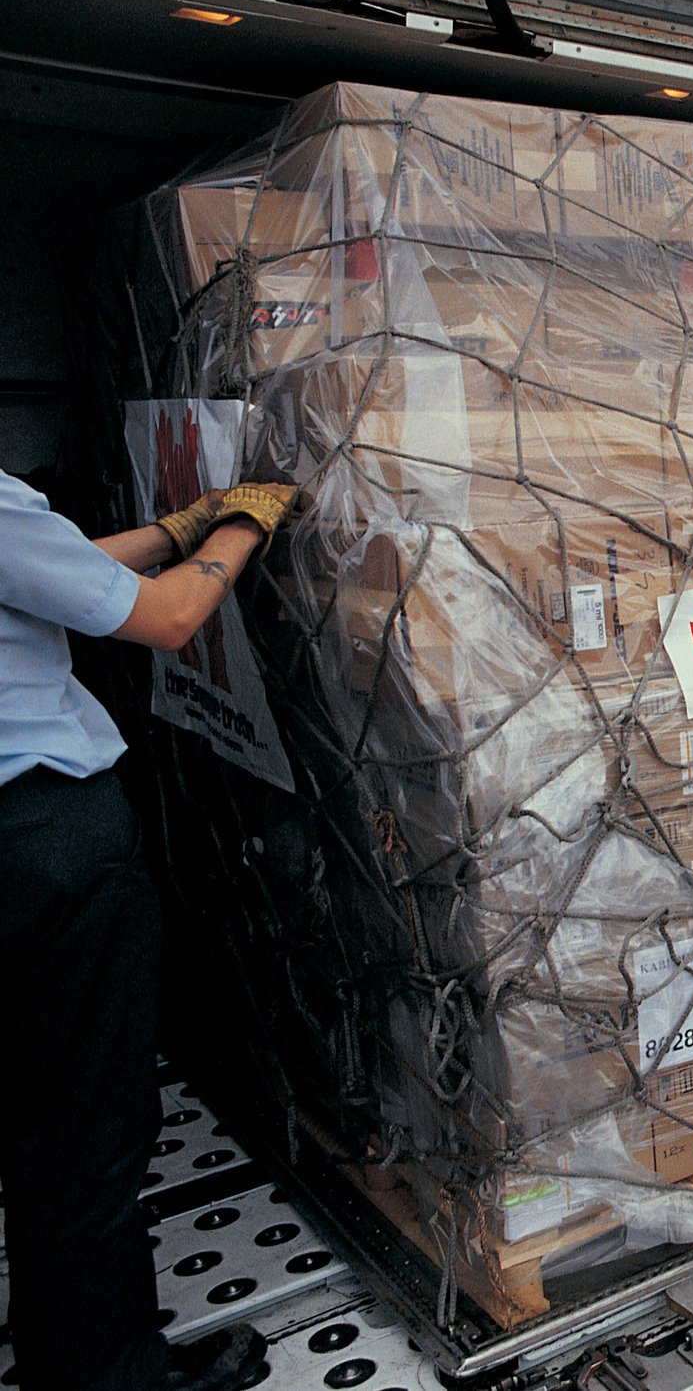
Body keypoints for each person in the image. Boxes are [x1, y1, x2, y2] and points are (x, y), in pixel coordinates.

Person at [1, 469, 296, 1391]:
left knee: (33, 1107)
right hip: (42, 837)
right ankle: (105, 1373)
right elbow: (167, 619)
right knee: (87, 1121)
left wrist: (178, 531)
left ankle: (59, 1342)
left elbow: (55, 574)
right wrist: (244, 527)